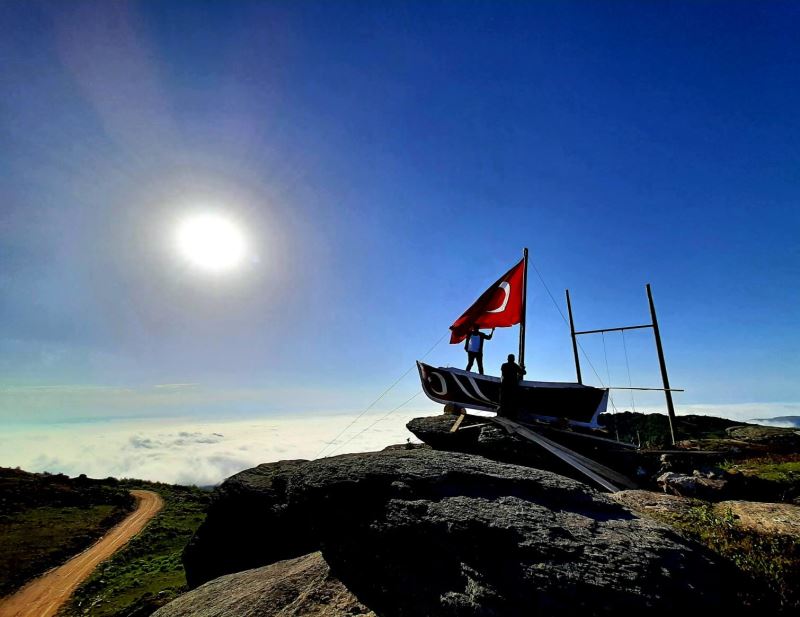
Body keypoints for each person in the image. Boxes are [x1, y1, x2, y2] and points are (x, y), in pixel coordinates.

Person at [499, 353, 526, 418]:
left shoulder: (504, 365)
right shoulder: (515, 366)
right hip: (512, 385)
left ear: (508, 359)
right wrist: (522, 367)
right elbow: (523, 372)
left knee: (503, 400)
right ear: (513, 359)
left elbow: (503, 374)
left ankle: (503, 414)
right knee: (512, 401)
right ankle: (511, 415)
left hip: (504, 384)